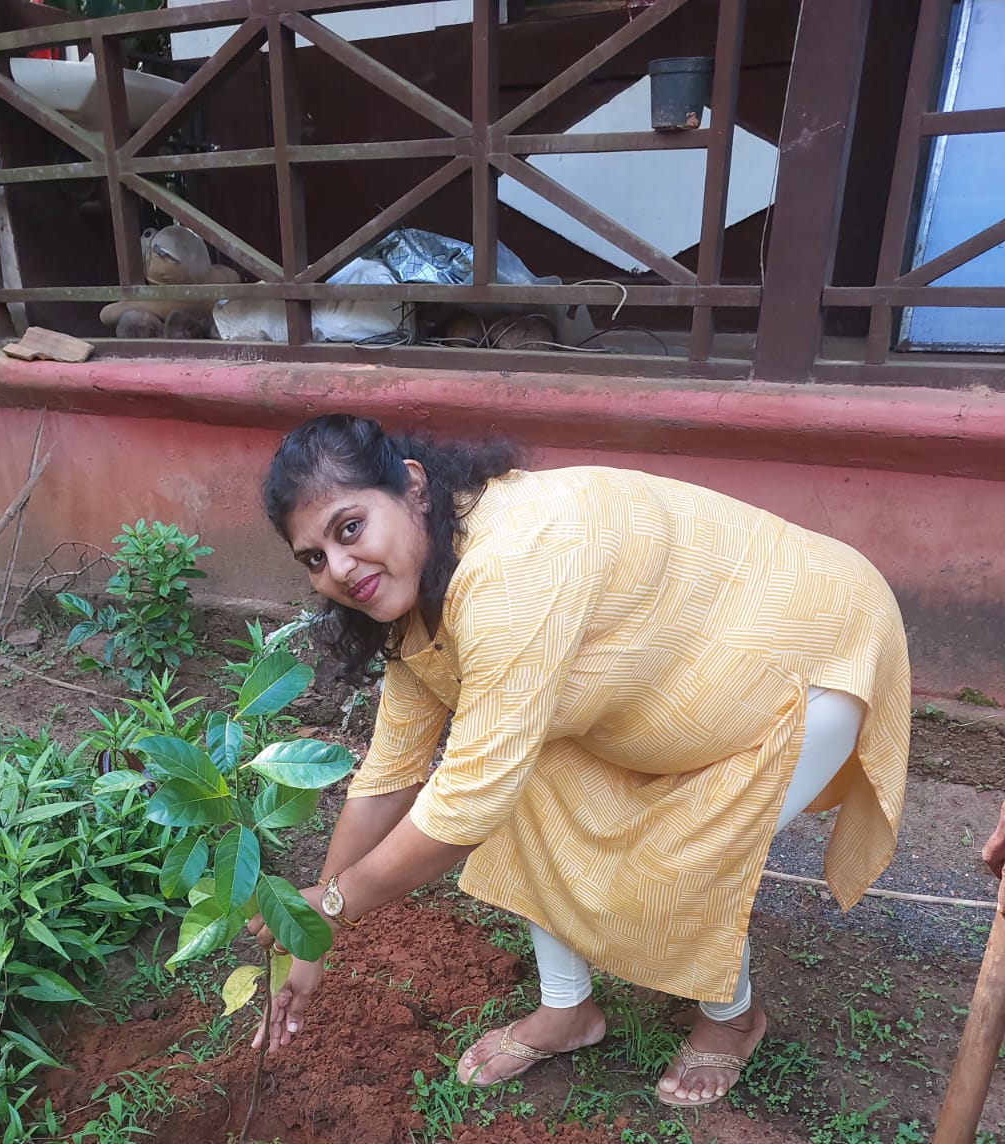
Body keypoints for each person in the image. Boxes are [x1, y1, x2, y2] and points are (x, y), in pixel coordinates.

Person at [246, 414, 912, 1107]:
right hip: (678, 673)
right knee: (526, 780)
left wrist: (333, 906)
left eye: (350, 528)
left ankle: (733, 1017)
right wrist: (310, 933)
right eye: (313, 558)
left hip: (808, 651)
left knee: (683, 854)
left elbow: (465, 808)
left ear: (412, 487)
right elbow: (392, 775)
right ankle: (568, 1011)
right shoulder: (425, 585)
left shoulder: (512, 569)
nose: (339, 568)